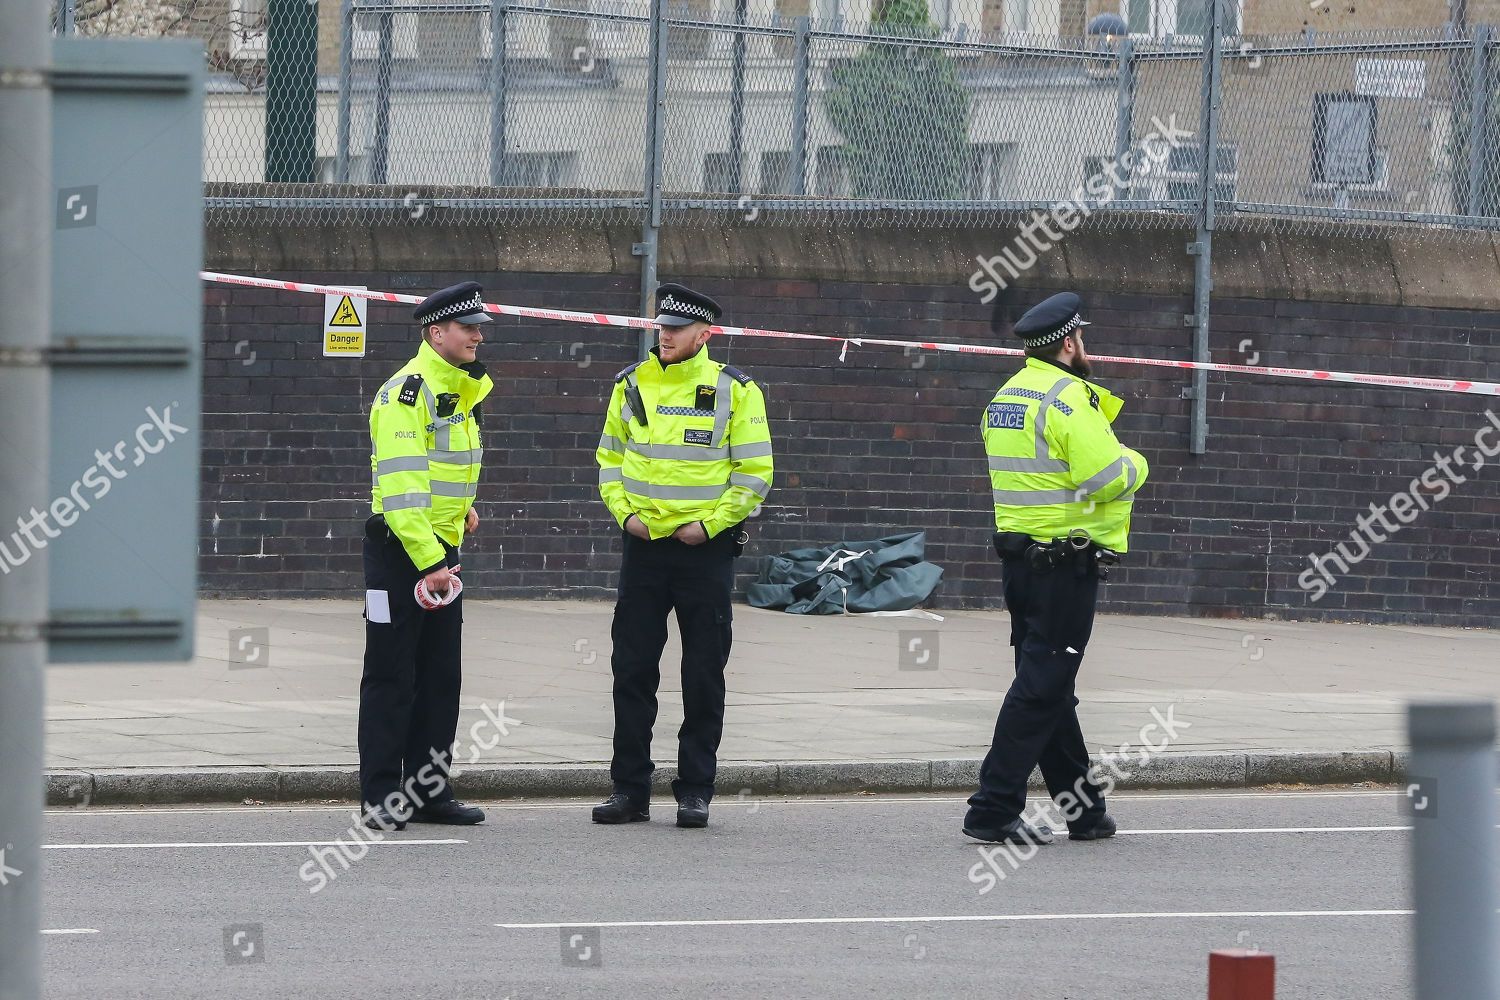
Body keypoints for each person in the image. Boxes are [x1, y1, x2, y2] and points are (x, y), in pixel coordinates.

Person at [963, 291, 1149, 845]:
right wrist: (1139, 462)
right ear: (1069, 342)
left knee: (1051, 686)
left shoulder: (1008, 395)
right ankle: (992, 807)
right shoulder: (1068, 397)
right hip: (1064, 565)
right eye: (1082, 338)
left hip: (1022, 563)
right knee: (1041, 687)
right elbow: (1106, 476)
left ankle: (1084, 811)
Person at [591, 283, 774, 829]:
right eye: (661, 326)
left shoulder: (736, 391)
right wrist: (625, 515)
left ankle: (695, 790)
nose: (664, 335)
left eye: (675, 328)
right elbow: (608, 459)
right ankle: (629, 790)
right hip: (644, 551)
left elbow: (754, 473)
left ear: (705, 334)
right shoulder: (629, 385)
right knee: (632, 670)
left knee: (702, 675)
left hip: (704, 554)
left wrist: (709, 525)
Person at [359, 281, 495, 830]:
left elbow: (444, 472)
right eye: (469, 328)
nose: (478, 336)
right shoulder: (405, 395)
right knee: (392, 677)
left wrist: (463, 509)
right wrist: (429, 560)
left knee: (440, 678)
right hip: (404, 557)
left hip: (440, 551)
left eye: (479, 327)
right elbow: (401, 489)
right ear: (437, 332)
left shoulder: (457, 392)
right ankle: (382, 797)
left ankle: (429, 791)